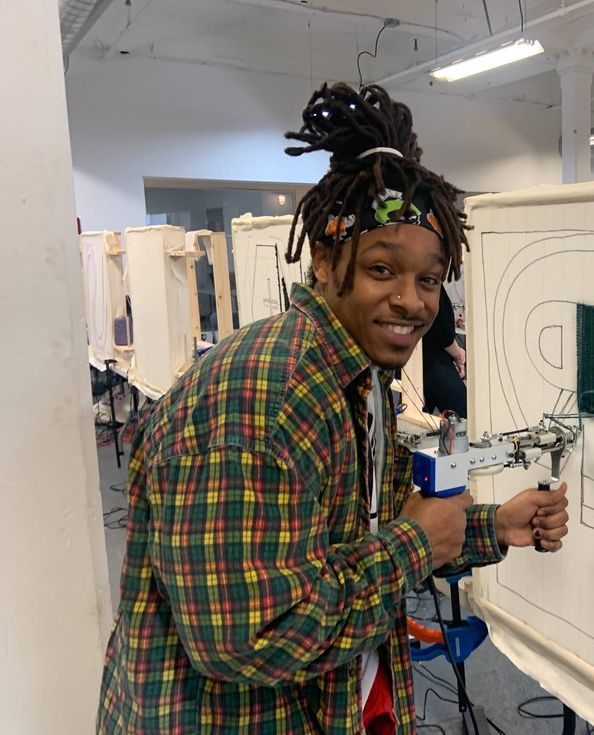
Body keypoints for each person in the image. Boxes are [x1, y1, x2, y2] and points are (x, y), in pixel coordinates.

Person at [97, 82, 569, 735]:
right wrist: (415, 543)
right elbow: (248, 634)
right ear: (324, 260)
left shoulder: (360, 380)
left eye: (429, 278)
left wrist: (494, 526)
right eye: (383, 269)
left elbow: (385, 520)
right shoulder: (261, 400)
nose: (412, 300)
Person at [422, 285, 467, 417]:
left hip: (428, 361)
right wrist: (458, 355)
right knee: (463, 421)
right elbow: (439, 325)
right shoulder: (428, 279)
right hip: (432, 362)